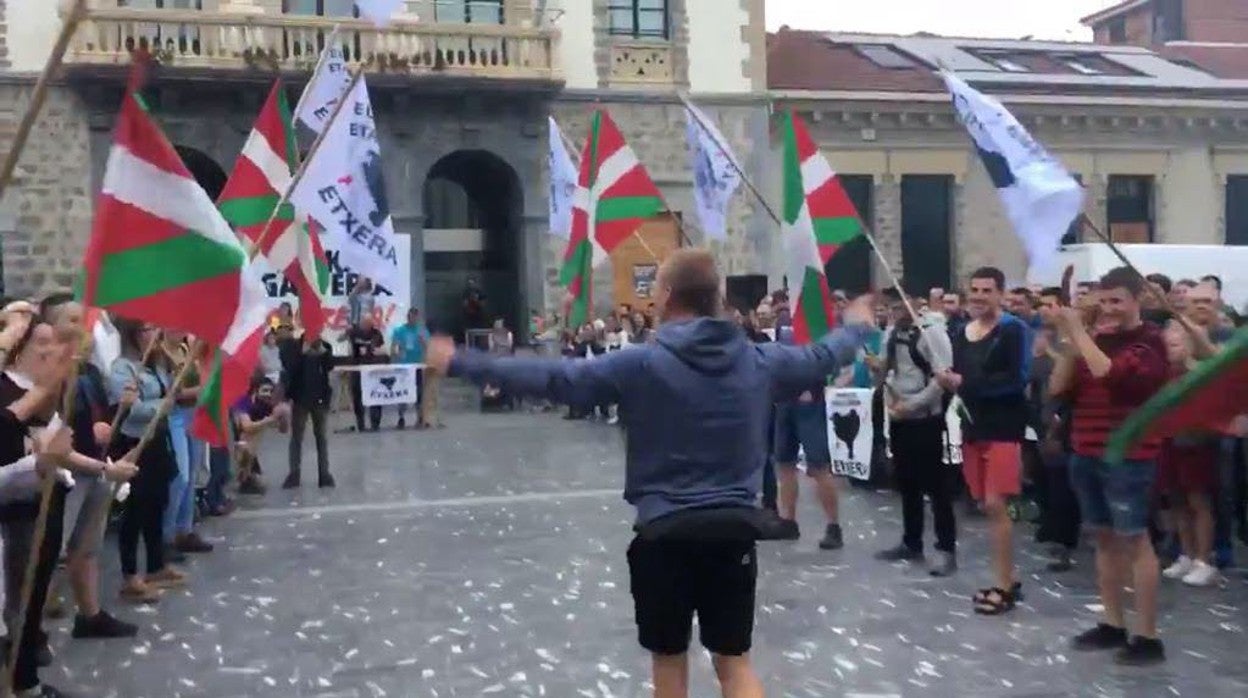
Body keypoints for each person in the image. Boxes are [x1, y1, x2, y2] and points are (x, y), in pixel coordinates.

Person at [425, 248, 873, 698]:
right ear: (715, 295)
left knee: (669, 663)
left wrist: (465, 362)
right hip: (733, 530)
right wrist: (854, 326)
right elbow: (821, 356)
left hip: (665, 531)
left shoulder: (642, 362)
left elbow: (558, 379)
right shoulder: (759, 360)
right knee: (734, 663)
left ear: (666, 296)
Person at [1049, 266, 1169, 666]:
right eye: (1103, 301)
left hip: (1128, 456)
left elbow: (1115, 377)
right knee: (1101, 537)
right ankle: (1113, 623)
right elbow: (1058, 387)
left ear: (1138, 301)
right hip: (1086, 449)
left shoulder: (1150, 342)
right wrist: (1071, 341)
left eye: (1117, 300)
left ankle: (1148, 636)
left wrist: (1080, 333)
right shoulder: (1093, 339)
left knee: (1135, 540)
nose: (1108, 309)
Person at [39, 295, 140, 640]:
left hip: (93, 466)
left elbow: (97, 420)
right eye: (71, 319)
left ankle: (90, 615)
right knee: (48, 551)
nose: (81, 326)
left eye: (83, 319)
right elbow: (51, 433)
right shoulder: (47, 373)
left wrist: (119, 411)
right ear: (50, 327)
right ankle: (29, 630)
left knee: (87, 547)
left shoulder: (91, 370)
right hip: (66, 473)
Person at [936, 266, 1031, 615]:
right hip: (973, 427)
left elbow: (1016, 379)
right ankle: (1007, 576)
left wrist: (966, 384)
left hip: (1004, 427)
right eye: (974, 289)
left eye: (986, 290)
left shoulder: (1013, 330)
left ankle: (1004, 585)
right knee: (985, 504)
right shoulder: (962, 332)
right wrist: (949, 381)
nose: (978, 296)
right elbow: (963, 378)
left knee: (995, 504)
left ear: (1000, 294)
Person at [0, 309, 78, 698]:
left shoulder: (36, 391)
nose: (50, 351)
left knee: (28, 601)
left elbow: (54, 441)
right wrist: (40, 462)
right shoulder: (11, 391)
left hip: (39, 500)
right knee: (15, 605)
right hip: (14, 515)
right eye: (39, 342)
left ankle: (24, 679)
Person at [874, 289, 957, 576]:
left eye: (900, 305)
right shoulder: (891, 333)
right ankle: (912, 541)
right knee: (906, 482)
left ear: (915, 303)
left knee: (936, 486)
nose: (896, 312)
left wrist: (912, 406)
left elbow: (942, 378)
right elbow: (888, 373)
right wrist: (890, 399)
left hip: (925, 417)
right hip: (899, 415)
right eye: (891, 307)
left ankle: (947, 547)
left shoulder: (932, 333)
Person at [108, 319, 186, 604]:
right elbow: (129, 409)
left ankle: (156, 565)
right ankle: (130, 576)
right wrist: (160, 406)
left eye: (156, 328)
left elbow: (169, 395)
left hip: (157, 440)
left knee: (158, 500)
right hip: (135, 442)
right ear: (134, 335)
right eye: (147, 329)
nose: (154, 334)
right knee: (136, 508)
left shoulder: (156, 363)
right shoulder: (123, 368)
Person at [771, 312, 846, 551]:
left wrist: (813, 384)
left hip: (808, 401)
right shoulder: (783, 320)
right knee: (784, 463)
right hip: (784, 400)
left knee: (818, 465)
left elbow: (826, 358)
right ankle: (788, 521)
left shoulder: (815, 316)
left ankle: (834, 526)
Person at [1157, 327, 1220, 587]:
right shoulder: (1162, 373)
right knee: (1176, 499)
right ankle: (1186, 553)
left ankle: (1203, 560)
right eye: (1167, 345)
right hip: (1168, 441)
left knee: (1198, 500)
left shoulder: (1200, 374)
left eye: (1176, 345)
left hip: (1195, 442)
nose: (1171, 350)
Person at [1033, 288, 1081, 573]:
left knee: (1065, 485)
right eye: (1042, 306)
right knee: (1048, 480)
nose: (1044, 310)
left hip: (1064, 419)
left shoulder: (1070, 342)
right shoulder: (1042, 337)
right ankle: (1050, 529)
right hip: (1041, 415)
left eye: (1050, 305)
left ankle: (1065, 543)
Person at [160, 332, 211, 562]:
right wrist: (197, 391)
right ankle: (166, 534)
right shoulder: (160, 353)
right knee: (179, 474)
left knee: (191, 475)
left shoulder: (185, 349)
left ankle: (185, 529)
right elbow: (171, 392)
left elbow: (202, 379)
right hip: (175, 415)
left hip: (193, 413)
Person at [281, 334, 335, 489]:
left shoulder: (325, 346)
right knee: (297, 437)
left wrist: (323, 352)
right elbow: (290, 367)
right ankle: (294, 473)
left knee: (321, 437)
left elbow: (330, 366)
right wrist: (302, 352)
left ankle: (324, 473)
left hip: (320, 398)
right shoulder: (295, 346)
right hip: (300, 399)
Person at [343, 314, 385, 432]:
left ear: (372, 323)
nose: (365, 325)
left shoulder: (376, 334)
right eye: (364, 322)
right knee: (357, 397)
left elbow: (382, 348)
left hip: (372, 370)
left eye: (368, 322)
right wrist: (346, 332)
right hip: (357, 369)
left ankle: (375, 423)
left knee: (376, 396)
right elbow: (341, 339)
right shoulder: (354, 332)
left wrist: (377, 351)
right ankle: (360, 423)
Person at [390, 309, 430, 429]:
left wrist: (422, 341)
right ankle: (401, 417)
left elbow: (428, 347)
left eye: (415, 317)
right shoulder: (400, 330)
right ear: (408, 317)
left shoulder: (422, 331)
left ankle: (420, 416)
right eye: (410, 317)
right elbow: (393, 347)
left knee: (419, 391)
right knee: (403, 392)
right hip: (404, 365)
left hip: (417, 364)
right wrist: (396, 355)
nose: (412, 319)